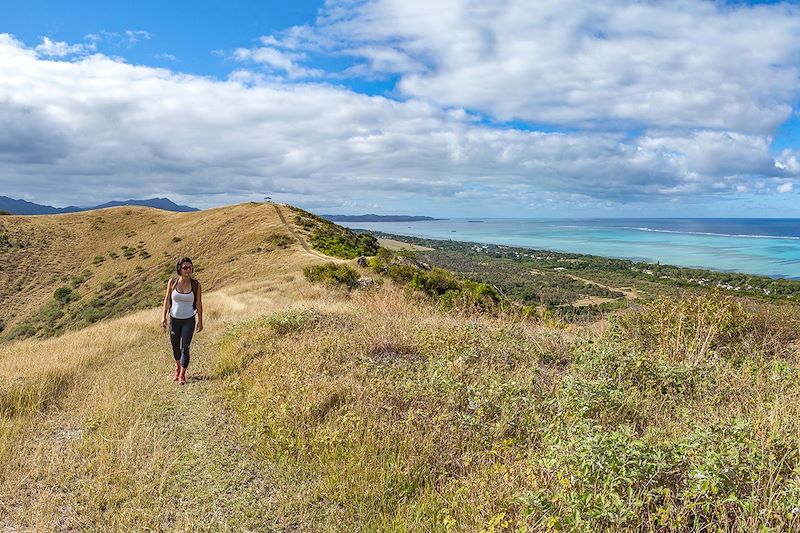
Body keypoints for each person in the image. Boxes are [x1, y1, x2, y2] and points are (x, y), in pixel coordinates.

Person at [161, 257, 203, 384]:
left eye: (190, 267)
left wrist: (200, 320)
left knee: (185, 347)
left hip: (188, 320)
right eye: (185, 267)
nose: (188, 270)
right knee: (175, 347)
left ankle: (182, 375)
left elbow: (199, 303)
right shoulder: (172, 282)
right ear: (179, 269)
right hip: (174, 320)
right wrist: (163, 316)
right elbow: (167, 300)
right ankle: (177, 367)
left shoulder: (196, 285)